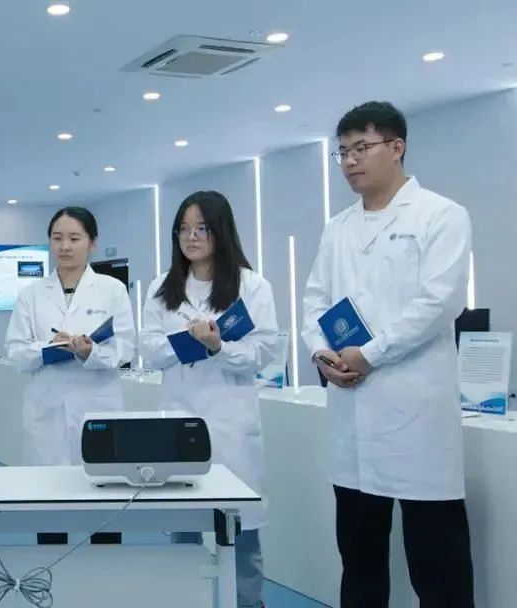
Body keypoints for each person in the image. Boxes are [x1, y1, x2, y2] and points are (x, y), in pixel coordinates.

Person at [302, 101, 474, 608]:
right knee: (360, 565)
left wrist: (370, 354)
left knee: (437, 567)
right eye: (343, 152)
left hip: (416, 414)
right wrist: (321, 354)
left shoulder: (440, 215)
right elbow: (315, 301)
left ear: (397, 147)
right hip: (352, 412)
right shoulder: (337, 227)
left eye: (362, 147)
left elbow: (439, 303)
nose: (351, 161)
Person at [140, 190, 279, 608]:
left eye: (202, 228)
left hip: (231, 420)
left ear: (221, 231)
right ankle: (187, 600)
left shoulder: (251, 286)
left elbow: (263, 352)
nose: (192, 237)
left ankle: (248, 603)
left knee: (241, 529)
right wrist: (188, 342)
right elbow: (150, 349)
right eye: (184, 229)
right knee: (183, 525)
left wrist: (219, 347)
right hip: (179, 417)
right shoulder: (162, 287)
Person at [4, 206, 136, 466]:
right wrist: (47, 347)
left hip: (96, 401)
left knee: (98, 476)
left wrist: (90, 352)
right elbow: (16, 351)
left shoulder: (112, 290)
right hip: (46, 405)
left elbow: (125, 348)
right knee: (46, 480)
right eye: (57, 238)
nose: (64, 246)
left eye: (74, 238)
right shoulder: (31, 294)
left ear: (92, 243)